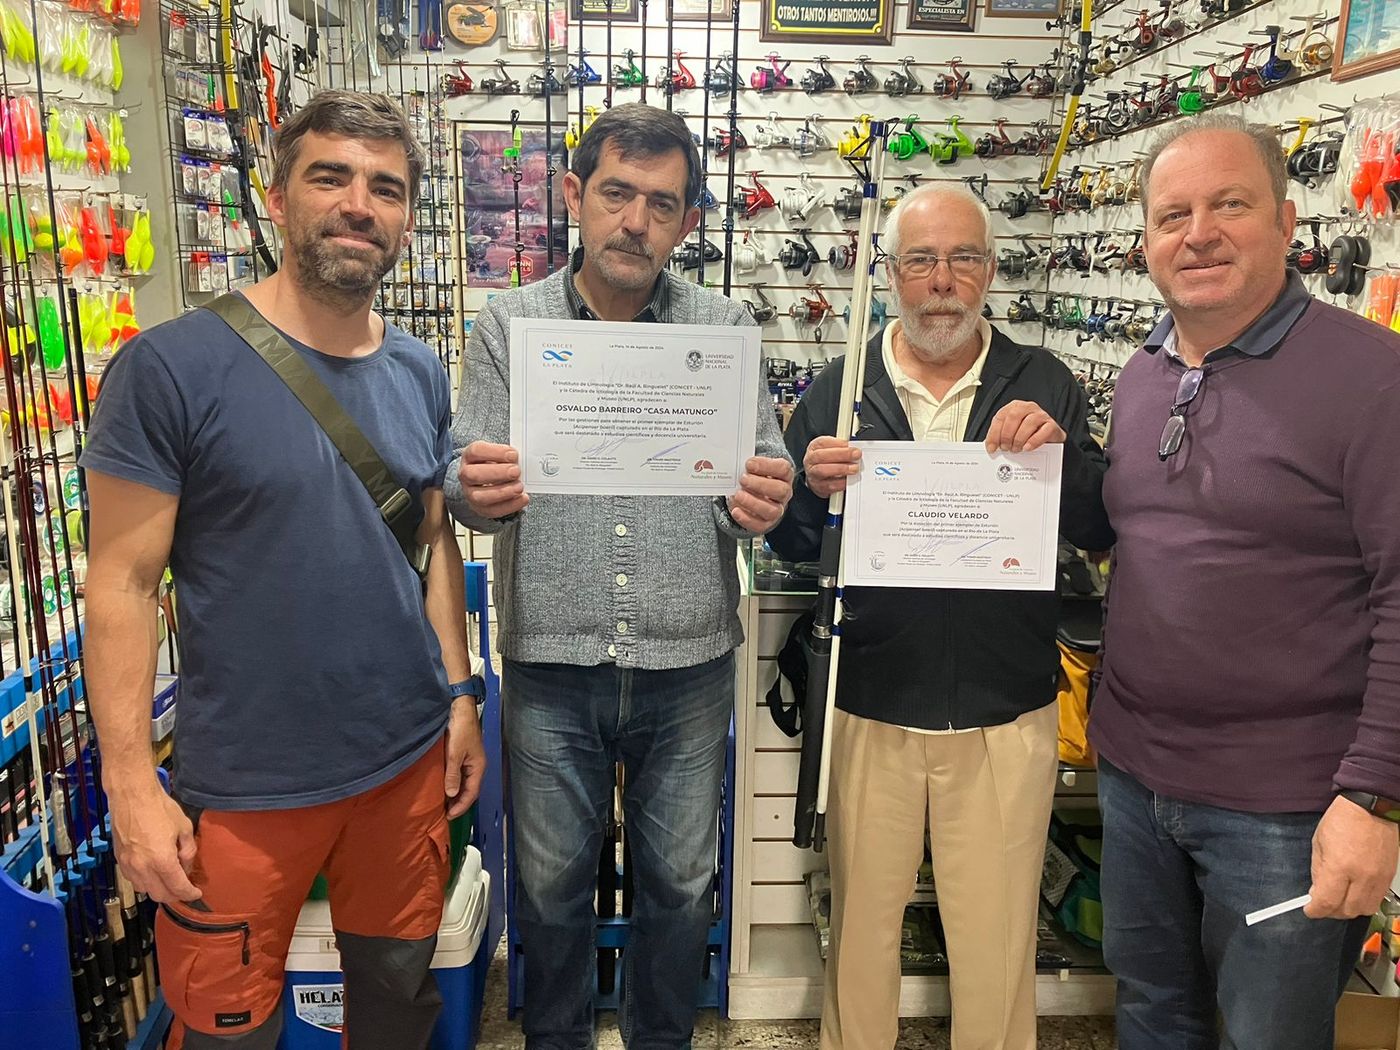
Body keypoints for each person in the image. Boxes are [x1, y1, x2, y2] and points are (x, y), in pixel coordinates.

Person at [82, 91, 486, 1050]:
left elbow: (431, 543)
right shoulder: (169, 369)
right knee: (227, 1027)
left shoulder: (422, 372)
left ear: (406, 218)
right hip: (248, 789)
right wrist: (131, 784)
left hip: (404, 764)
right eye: (330, 176)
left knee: (392, 1012)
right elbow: (122, 584)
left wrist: (460, 698)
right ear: (275, 196)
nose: (359, 204)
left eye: (386, 188)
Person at [445, 102, 792, 1050]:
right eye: (617, 195)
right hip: (552, 659)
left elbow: (759, 469)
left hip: (689, 663)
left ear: (687, 222)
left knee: (680, 888)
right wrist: (474, 486)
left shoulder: (724, 329)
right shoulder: (508, 325)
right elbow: (462, 479)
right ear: (574, 197)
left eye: (662, 203)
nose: (636, 221)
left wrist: (763, 496)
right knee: (550, 890)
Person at [768, 183, 1114, 1050]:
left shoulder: (1046, 381)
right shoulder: (838, 387)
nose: (942, 281)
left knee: (996, 947)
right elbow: (800, 547)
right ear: (889, 274)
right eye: (920, 260)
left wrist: (1063, 460)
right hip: (869, 705)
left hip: (1006, 711)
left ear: (992, 270)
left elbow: (1102, 524)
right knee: (861, 938)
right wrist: (807, 491)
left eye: (963, 259)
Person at [1093, 113, 1400, 1050]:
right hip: (1133, 776)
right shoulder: (1144, 371)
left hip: (1288, 803)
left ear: (1287, 220)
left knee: (1265, 1037)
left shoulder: (1372, 376)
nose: (1198, 234)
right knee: (1150, 1012)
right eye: (1173, 213)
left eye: (1229, 205)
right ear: (1146, 239)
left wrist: (1377, 800)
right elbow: (1138, 538)